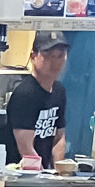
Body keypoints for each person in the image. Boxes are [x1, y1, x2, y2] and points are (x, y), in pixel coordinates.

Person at [7, 33, 69, 166]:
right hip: (19, 174)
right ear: (33, 57)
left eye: (60, 56)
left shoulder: (59, 91)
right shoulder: (25, 94)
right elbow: (25, 148)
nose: (55, 62)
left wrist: (59, 173)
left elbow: (59, 137)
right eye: (48, 56)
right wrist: (41, 180)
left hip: (43, 174)